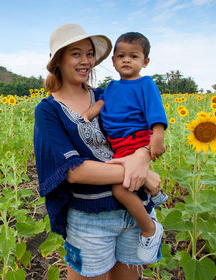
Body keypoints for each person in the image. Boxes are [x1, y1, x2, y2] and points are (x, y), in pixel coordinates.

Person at [34, 23, 162, 280]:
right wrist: (140, 173)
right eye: (76, 53)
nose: (86, 61)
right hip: (91, 219)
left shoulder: (107, 94)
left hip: (135, 210)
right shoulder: (48, 110)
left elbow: (142, 130)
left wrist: (143, 156)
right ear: (58, 60)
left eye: (89, 54)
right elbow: (73, 172)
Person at [81, 32, 168, 263]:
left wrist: (157, 135)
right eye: (121, 56)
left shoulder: (145, 84)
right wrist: (88, 114)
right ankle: (155, 193)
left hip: (136, 138)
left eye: (133, 56)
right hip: (118, 145)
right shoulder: (112, 87)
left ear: (145, 62)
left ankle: (149, 229)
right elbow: (102, 102)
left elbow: (155, 110)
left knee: (120, 189)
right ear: (113, 61)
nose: (126, 60)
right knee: (132, 178)